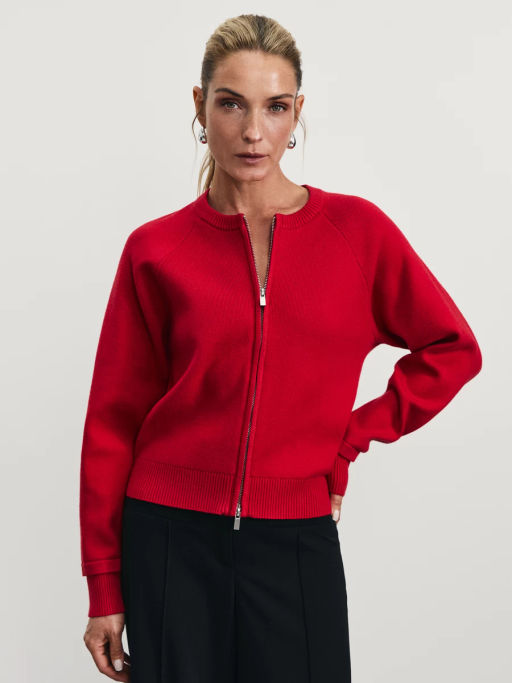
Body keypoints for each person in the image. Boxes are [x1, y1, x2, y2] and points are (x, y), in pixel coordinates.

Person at [79, 13, 482, 683]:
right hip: (170, 539)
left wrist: (350, 438)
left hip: (296, 538)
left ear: (298, 112)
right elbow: (112, 421)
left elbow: (453, 347)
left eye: (274, 106)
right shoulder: (155, 251)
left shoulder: (357, 234)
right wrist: (104, 585)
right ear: (200, 106)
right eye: (230, 103)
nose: (253, 130)